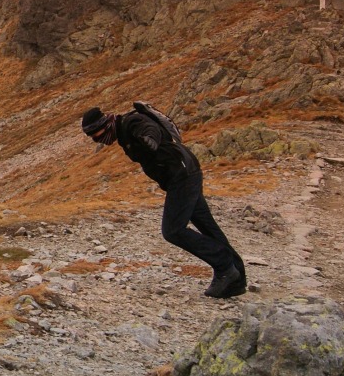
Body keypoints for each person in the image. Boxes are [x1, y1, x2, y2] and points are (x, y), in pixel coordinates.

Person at [81, 105, 246, 298]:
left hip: (182, 176)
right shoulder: (123, 132)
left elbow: (148, 129)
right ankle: (236, 278)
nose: (96, 139)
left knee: (173, 231)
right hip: (186, 173)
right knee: (207, 226)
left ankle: (224, 265)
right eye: (92, 137)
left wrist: (150, 140)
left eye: (96, 134)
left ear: (105, 124)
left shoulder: (130, 122)